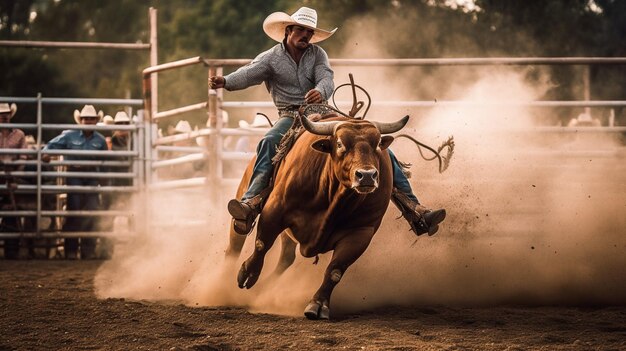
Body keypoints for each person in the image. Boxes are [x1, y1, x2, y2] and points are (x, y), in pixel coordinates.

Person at [209, 7, 445, 236]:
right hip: (291, 116)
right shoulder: (270, 58)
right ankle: (252, 201)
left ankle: (415, 210)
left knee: (377, 147)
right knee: (270, 141)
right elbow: (250, 73)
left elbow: (327, 78)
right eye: (301, 30)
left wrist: (321, 91)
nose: (306, 35)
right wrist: (226, 81)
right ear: (288, 30)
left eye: (310, 32)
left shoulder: (318, 54)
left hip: (325, 113)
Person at [42, 105, 108, 259]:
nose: (88, 121)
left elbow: (105, 162)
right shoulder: (69, 135)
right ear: (81, 120)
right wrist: (46, 154)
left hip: (92, 176)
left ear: (96, 121)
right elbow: (51, 145)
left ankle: (87, 250)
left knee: (92, 210)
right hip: (75, 174)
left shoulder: (100, 140)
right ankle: (71, 249)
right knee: (74, 209)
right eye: (86, 118)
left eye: (91, 119)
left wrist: (104, 178)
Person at [0, 103, 26, 259]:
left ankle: (12, 250)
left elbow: (23, 157)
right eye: (1, 113)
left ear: (10, 115)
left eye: (6, 113)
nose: (4, 116)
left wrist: (16, 174)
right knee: (10, 208)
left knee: (11, 210)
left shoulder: (19, 134)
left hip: (13, 173)